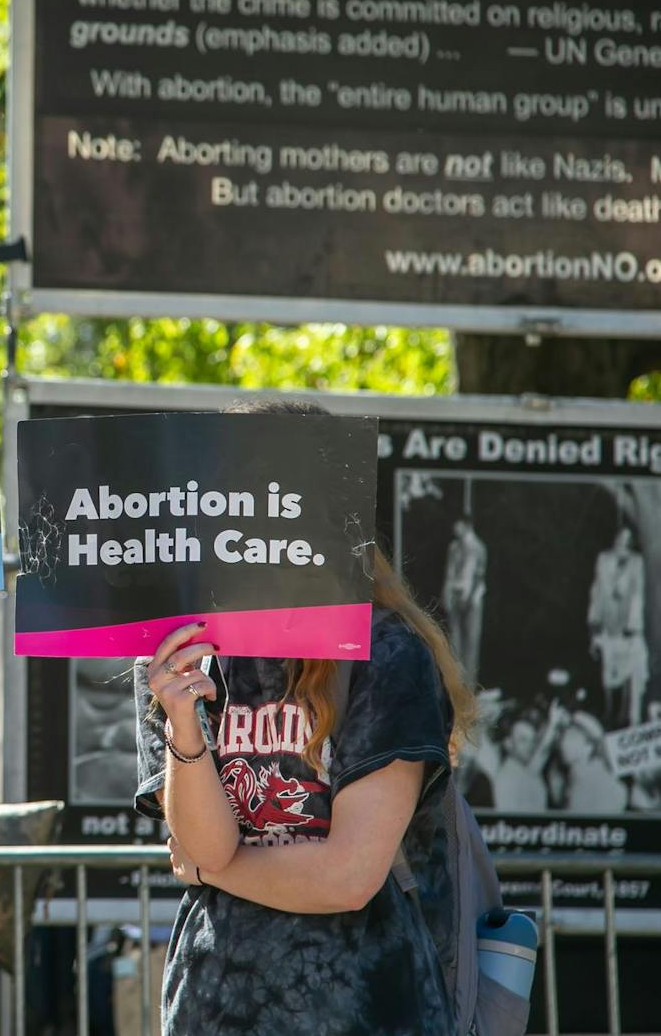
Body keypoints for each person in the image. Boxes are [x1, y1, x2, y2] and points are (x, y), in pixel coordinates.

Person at [134, 398, 479, 1036]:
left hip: (365, 1009)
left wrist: (216, 870)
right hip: (214, 1008)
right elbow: (203, 844)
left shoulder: (386, 652)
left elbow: (348, 877)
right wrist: (184, 724)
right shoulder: (179, 657)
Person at [588, 526, 648, 729]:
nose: (623, 542)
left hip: (628, 632)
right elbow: (596, 593)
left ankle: (626, 720)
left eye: (627, 539)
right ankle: (609, 716)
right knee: (607, 679)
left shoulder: (636, 562)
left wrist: (633, 625)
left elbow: (637, 596)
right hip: (608, 630)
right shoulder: (604, 560)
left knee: (629, 680)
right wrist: (594, 626)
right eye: (620, 537)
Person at [440, 515, 487, 683]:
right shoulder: (454, 547)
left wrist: (469, 596)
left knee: (471, 642)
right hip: (455, 594)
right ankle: (455, 684)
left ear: (467, 525)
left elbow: (479, 576)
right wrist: (446, 594)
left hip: (472, 598)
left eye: (458, 526)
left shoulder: (478, 548)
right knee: (454, 640)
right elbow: (449, 573)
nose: (455, 529)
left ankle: (470, 685)